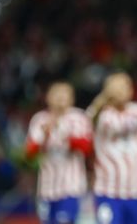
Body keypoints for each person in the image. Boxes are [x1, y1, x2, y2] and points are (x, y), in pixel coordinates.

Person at [87, 71, 137, 224]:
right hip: (108, 192)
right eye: (117, 86)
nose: (122, 89)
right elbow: (89, 119)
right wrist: (104, 97)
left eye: (125, 85)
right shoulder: (102, 115)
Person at [25, 81, 92, 224]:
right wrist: (44, 135)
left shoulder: (78, 117)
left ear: (72, 98)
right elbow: (29, 153)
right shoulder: (39, 119)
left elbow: (86, 148)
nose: (61, 98)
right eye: (56, 94)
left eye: (65, 94)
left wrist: (61, 129)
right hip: (47, 187)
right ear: (48, 98)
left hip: (71, 186)